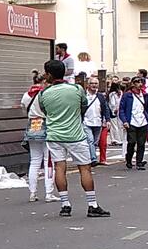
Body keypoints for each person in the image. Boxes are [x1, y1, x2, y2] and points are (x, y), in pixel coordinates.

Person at [35, 59, 107, 218]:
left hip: (54, 136)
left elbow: (45, 111)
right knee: (85, 168)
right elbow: (83, 106)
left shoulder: (44, 94)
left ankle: (65, 204)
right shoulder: (76, 89)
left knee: (59, 168)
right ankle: (92, 204)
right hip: (76, 135)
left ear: (48, 75)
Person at [21, 73, 52, 203]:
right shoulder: (45, 94)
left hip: (32, 126)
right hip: (46, 125)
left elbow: (24, 110)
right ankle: (49, 193)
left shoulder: (26, 95)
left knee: (34, 161)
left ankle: (32, 192)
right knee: (48, 161)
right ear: (44, 81)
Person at [118, 76, 148, 170]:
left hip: (143, 121)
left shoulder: (145, 95)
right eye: (137, 82)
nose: (140, 84)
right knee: (131, 142)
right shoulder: (127, 95)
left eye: (141, 82)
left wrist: (147, 117)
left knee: (141, 143)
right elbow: (122, 109)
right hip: (131, 121)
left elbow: (147, 108)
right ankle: (128, 159)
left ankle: (139, 162)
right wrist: (125, 121)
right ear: (133, 83)